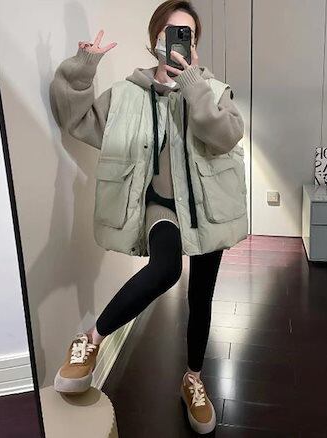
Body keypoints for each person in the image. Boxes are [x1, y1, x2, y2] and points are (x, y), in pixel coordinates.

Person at [49, 0, 246, 434]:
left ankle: (193, 380)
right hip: (161, 205)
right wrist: (82, 70)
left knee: (202, 296)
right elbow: (77, 121)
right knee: (165, 268)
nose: (176, 40)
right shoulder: (127, 95)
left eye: (186, 34)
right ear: (155, 37)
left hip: (206, 210)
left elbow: (226, 136)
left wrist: (194, 85)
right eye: (169, 31)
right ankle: (91, 340)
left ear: (194, 44)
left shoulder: (214, 90)